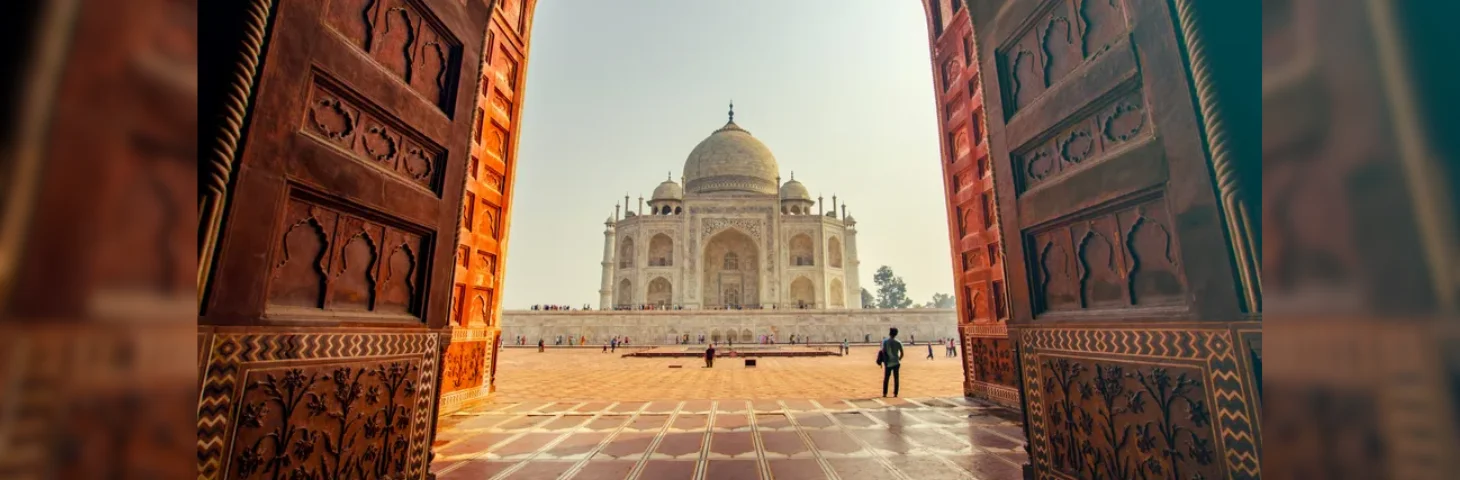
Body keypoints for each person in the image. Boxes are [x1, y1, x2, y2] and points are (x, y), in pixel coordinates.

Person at [881, 328, 905, 397]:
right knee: (896, 378)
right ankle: (895, 393)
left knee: (886, 378)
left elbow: (883, 351)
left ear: (890, 333)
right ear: (896, 334)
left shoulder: (885, 342)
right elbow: (902, 354)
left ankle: (885, 393)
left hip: (888, 363)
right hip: (896, 363)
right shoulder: (898, 342)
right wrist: (898, 359)